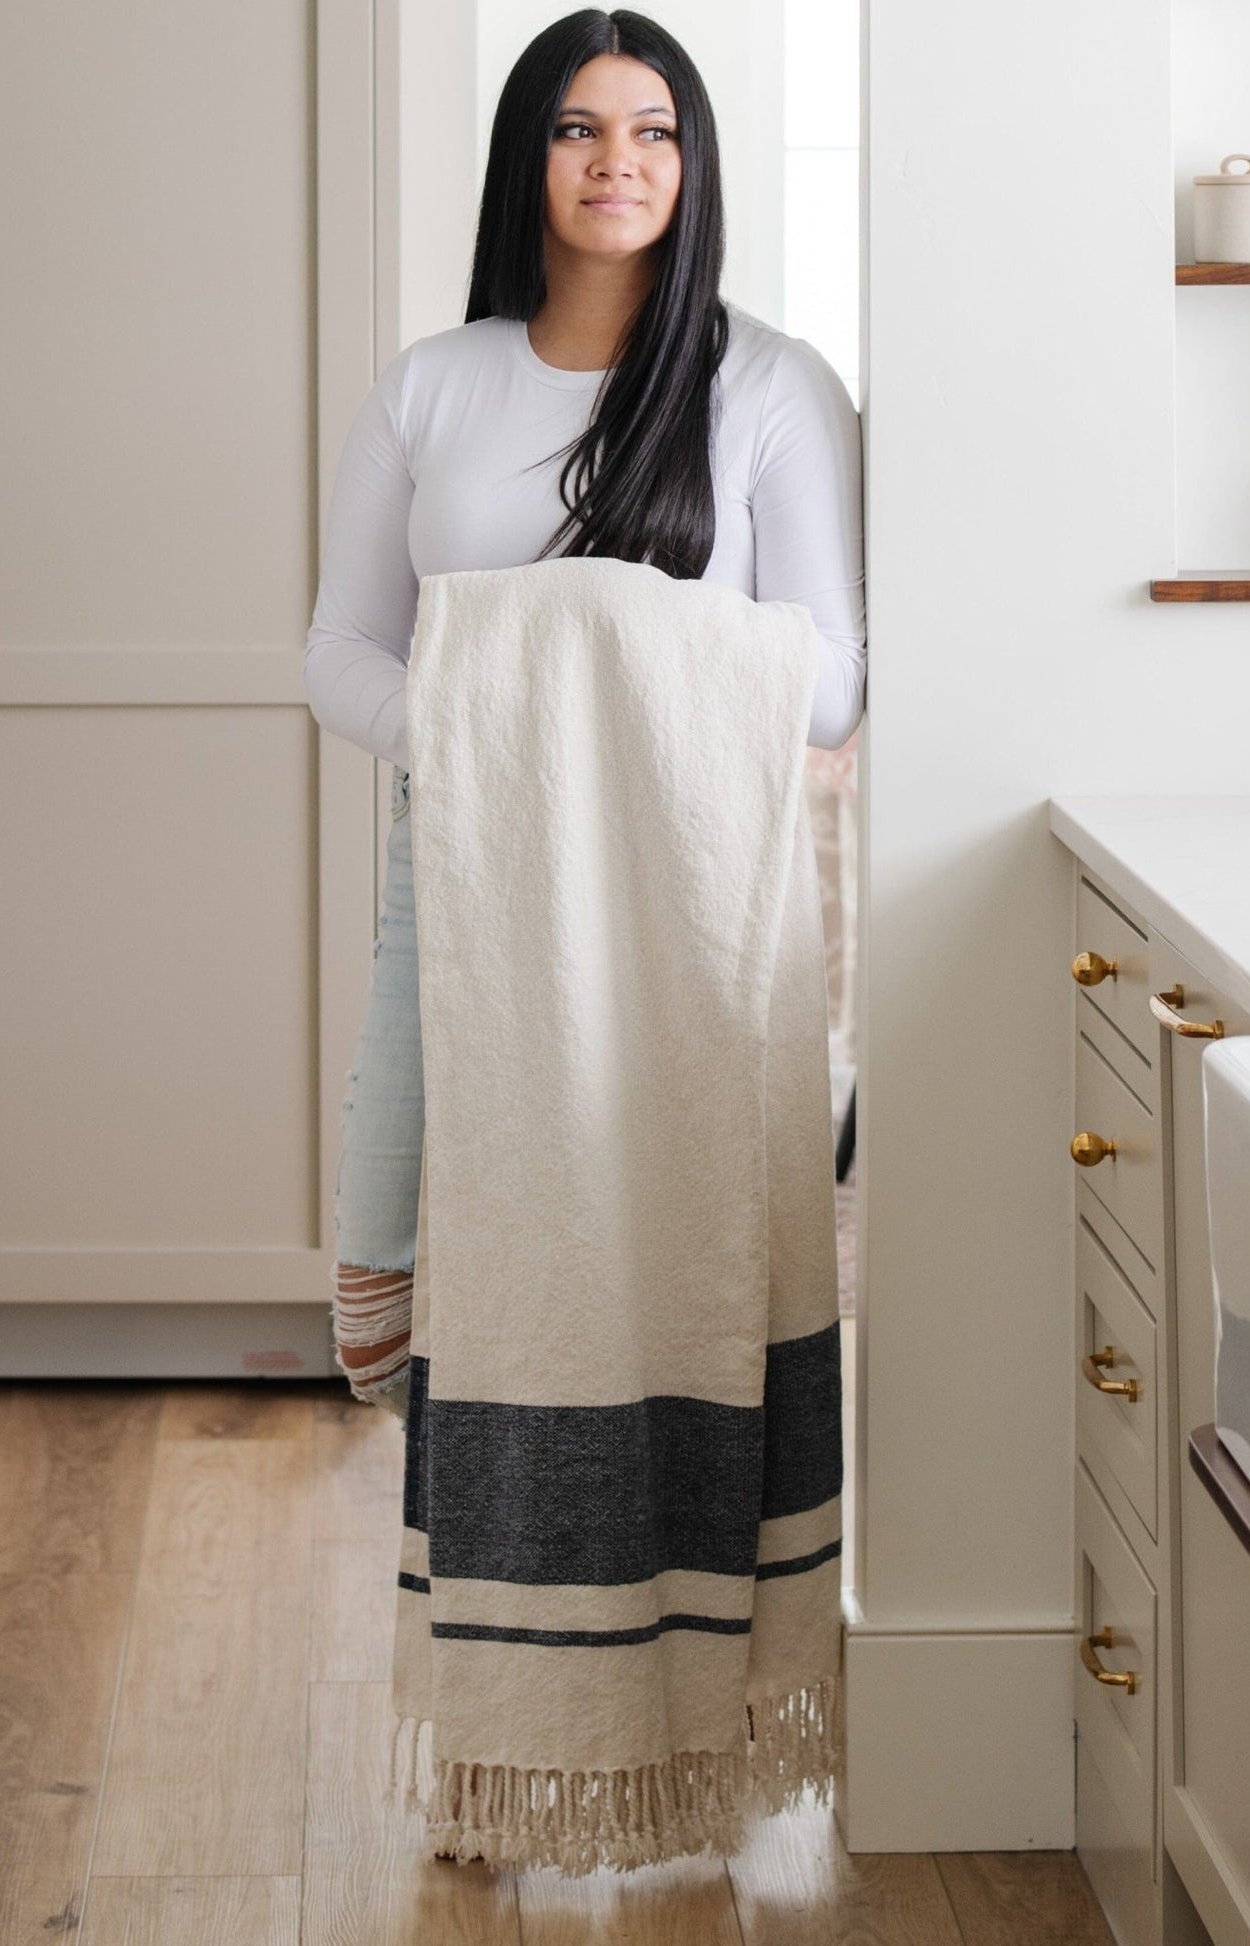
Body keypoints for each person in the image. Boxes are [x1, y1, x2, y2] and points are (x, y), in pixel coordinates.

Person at [306, 6, 866, 1420]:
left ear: (694, 163)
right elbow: (340, 651)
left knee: (664, 1262)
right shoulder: (431, 385)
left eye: (652, 130)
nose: (615, 161)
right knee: (398, 1287)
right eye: (575, 127)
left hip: (687, 883)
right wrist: (503, 743)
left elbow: (836, 678)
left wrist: (590, 685)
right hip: (463, 854)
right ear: (526, 157)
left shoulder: (772, 387)